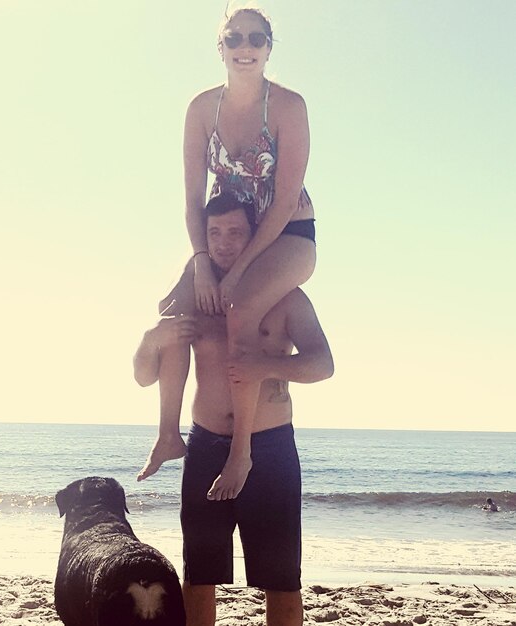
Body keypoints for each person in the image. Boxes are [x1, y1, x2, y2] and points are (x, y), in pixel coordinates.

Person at [139, 7, 318, 501]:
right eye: (234, 36)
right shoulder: (201, 109)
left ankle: (242, 451)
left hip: (287, 234)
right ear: (220, 45)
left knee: (239, 307)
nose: (246, 45)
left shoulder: (287, 105)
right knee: (176, 313)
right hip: (228, 232)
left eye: (256, 37)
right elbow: (192, 198)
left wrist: (236, 271)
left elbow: (283, 202)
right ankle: (169, 433)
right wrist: (201, 259)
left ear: (268, 46)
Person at [134, 194, 333, 626]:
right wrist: (152, 339)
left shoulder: (285, 297)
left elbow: (323, 364)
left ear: (256, 236)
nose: (224, 243)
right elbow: (145, 376)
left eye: (236, 232)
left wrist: (266, 365)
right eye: (214, 233)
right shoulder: (195, 299)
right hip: (205, 445)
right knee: (200, 574)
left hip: (271, 450)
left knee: (281, 580)